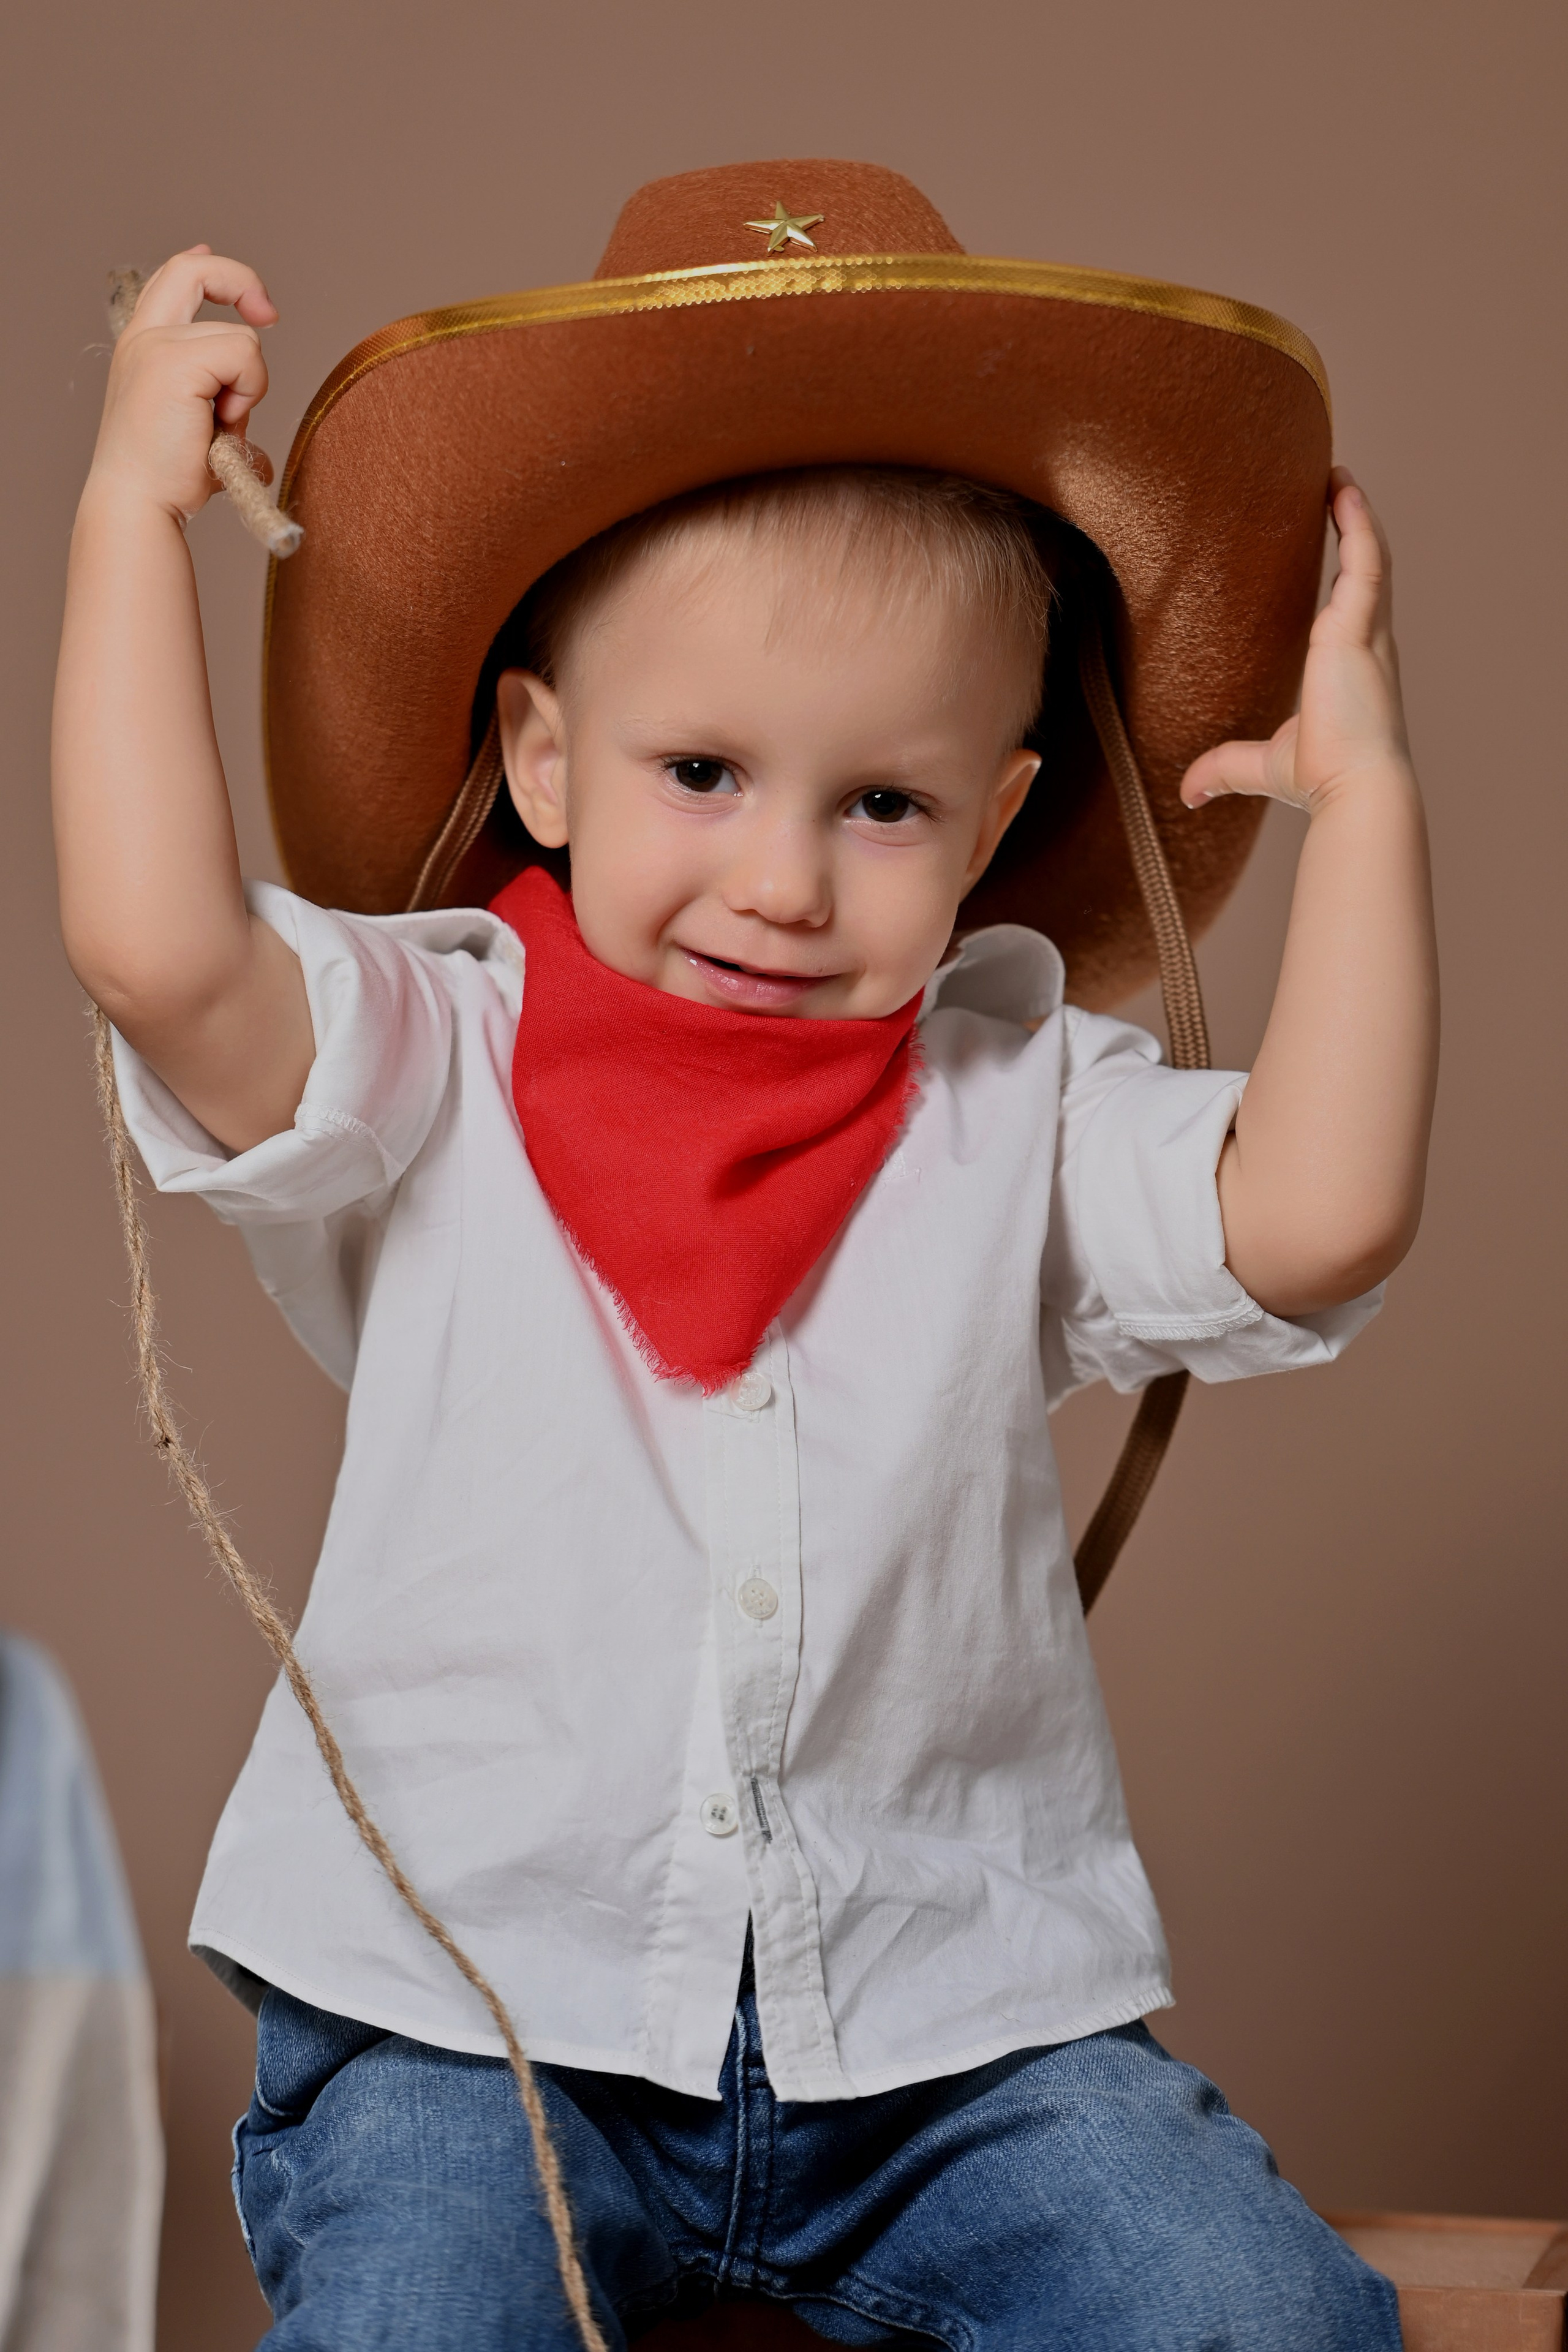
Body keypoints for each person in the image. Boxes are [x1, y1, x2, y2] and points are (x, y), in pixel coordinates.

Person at [51, 162, 1436, 2349]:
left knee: (1254, 2316)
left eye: (883, 805)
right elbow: (158, 952)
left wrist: (1364, 815)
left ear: (992, 823)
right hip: (474, 2028)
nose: (786, 882)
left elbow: (1320, 1206)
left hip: (951, 2048)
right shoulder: (435, 1050)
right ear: (544, 758)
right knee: (421, 2319)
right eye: (702, 768)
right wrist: (133, 517)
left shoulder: (1011, 1108)